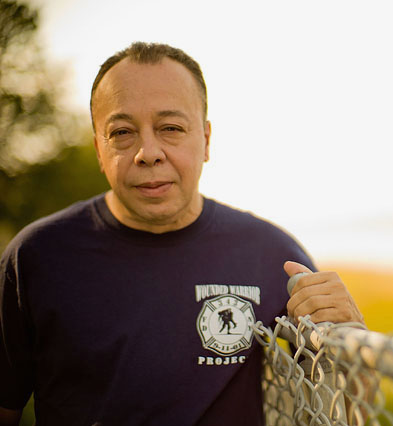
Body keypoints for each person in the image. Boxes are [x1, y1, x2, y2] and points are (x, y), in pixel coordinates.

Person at [0, 42, 364, 426]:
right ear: (98, 150)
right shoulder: (35, 258)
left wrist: (351, 339)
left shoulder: (273, 256)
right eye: (122, 132)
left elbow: (342, 409)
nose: (148, 152)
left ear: (206, 140)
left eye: (170, 128)